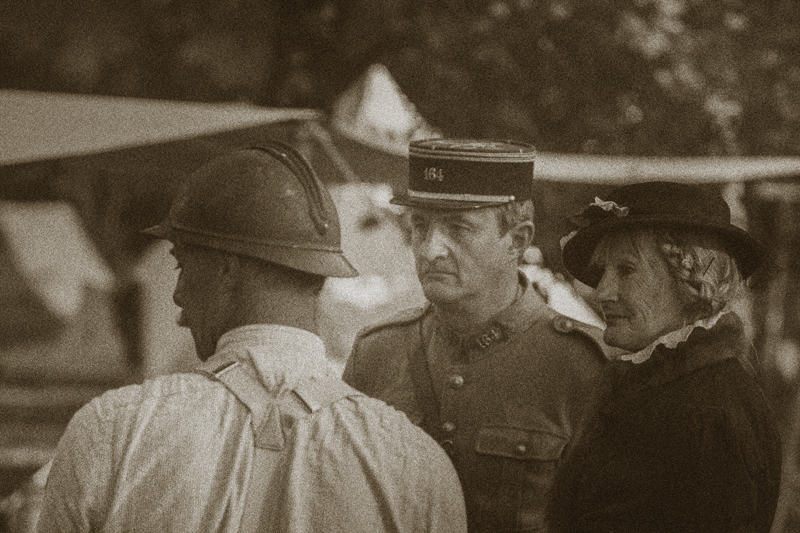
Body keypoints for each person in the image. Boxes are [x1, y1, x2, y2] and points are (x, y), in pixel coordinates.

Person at [35, 143, 467, 533]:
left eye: (183, 266)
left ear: (226, 268)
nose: (178, 298)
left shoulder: (114, 429)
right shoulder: (416, 464)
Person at [343, 138, 608, 532]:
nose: (431, 249)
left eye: (459, 228)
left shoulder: (587, 367)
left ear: (517, 241)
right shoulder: (377, 353)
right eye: (420, 226)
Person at [547, 181, 783, 532]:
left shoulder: (708, 413)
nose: (602, 292)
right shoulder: (658, 389)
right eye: (603, 272)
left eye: (626, 270)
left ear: (691, 280)